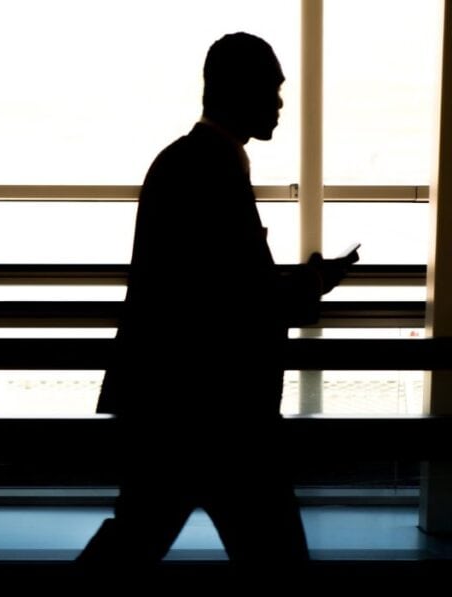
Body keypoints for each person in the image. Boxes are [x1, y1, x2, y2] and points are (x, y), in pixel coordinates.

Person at [77, 32, 357, 576]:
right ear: (241, 91)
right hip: (217, 412)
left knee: (134, 540)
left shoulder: (187, 161)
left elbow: (214, 284)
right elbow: (237, 297)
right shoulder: (214, 169)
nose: (280, 103)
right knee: (272, 555)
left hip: (174, 406)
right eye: (273, 90)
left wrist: (302, 282)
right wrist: (310, 287)